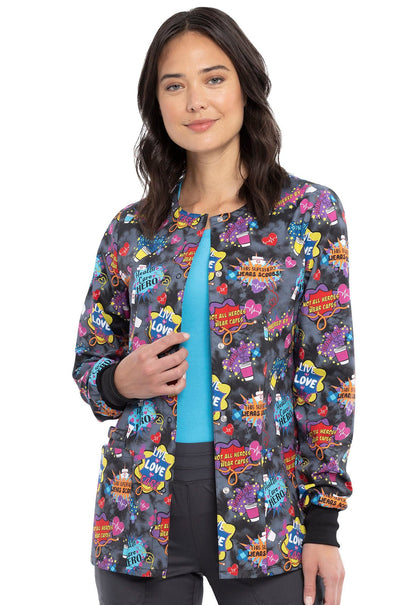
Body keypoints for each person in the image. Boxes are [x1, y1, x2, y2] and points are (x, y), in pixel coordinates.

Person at [73, 7, 355, 605]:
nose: (195, 101)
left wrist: (324, 525)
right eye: (174, 85)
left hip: (265, 517)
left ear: (245, 86)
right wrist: (119, 381)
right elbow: (89, 365)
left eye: (214, 78)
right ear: (156, 104)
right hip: (137, 515)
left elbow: (328, 371)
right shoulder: (131, 230)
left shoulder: (308, 214)